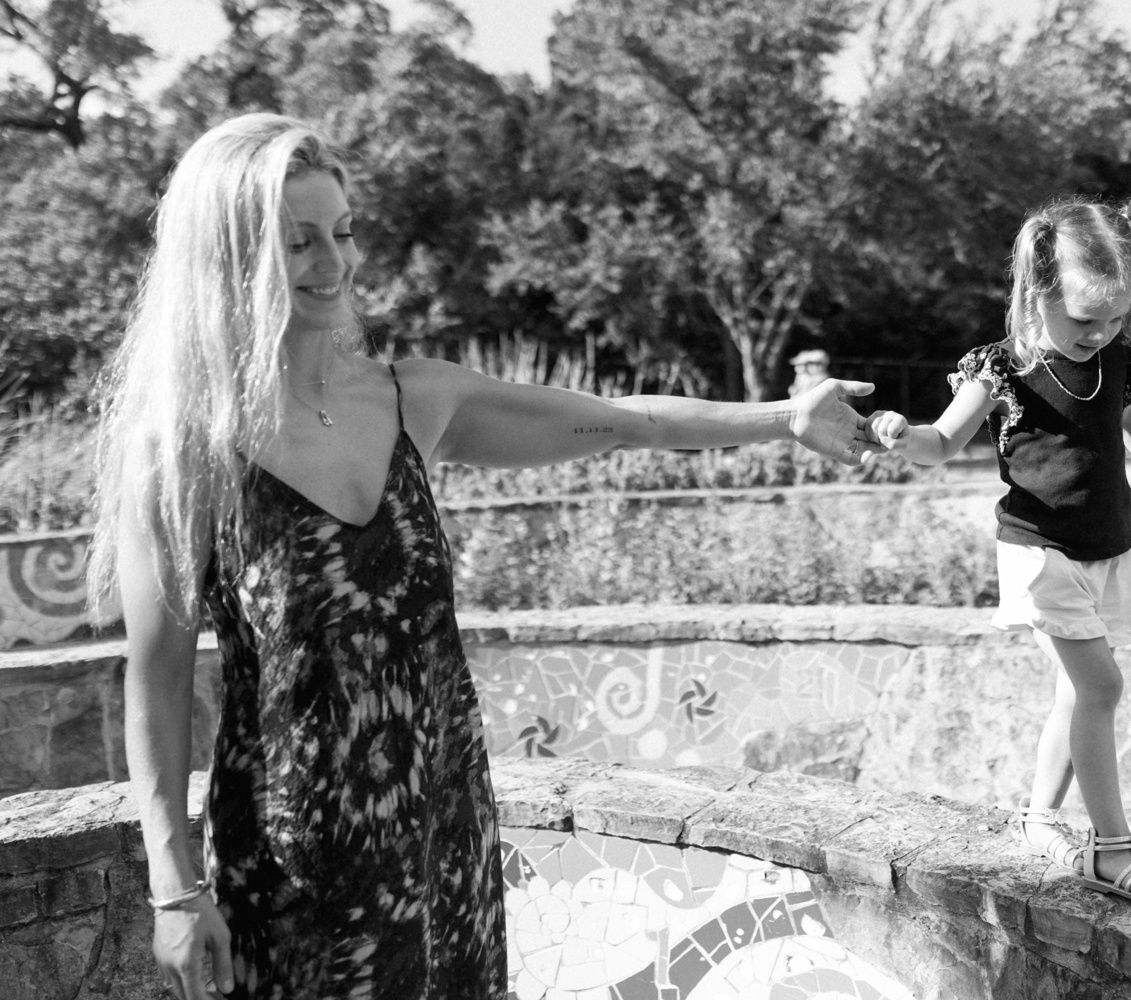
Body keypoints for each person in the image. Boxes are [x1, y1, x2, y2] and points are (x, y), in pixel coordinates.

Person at [87, 112, 884, 1000]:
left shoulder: (415, 399)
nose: (335, 263)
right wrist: (174, 887)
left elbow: (626, 420)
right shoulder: (183, 451)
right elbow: (154, 680)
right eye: (298, 241)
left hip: (446, 840)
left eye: (343, 233)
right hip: (292, 869)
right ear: (227, 260)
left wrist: (784, 416)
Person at [866, 198, 1131, 905]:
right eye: (1085, 319)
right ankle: (1110, 849)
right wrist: (899, 433)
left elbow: (1127, 410)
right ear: (1039, 291)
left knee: (1077, 692)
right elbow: (941, 444)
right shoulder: (1003, 370)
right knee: (1102, 687)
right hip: (1040, 552)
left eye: (1116, 316)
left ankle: (1040, 817)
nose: (1102, 331)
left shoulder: (1115, 355)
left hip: (1108, 546)